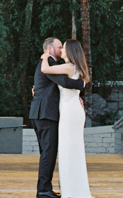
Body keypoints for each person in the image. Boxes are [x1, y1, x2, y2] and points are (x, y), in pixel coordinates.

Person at [29, 37, 86, 198]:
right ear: (49, 49)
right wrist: (81, 85)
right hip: (46, 114)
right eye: (59, 47)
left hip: (41, 113)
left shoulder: (49, 63)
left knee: (47, 152)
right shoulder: (48, 63)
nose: (61, 50)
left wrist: (76, 96)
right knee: (49, 152)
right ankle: (44, 190)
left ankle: (45, 188)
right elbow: (65, 82)